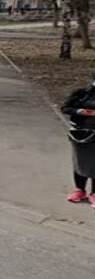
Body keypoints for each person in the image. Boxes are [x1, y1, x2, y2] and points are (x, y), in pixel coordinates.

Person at [62, 80, 95, 209]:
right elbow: (65, 108)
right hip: (80, 132)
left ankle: (94, 193)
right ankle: (79, 190)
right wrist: (80, 111)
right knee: (80, 161)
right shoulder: (82, 93)